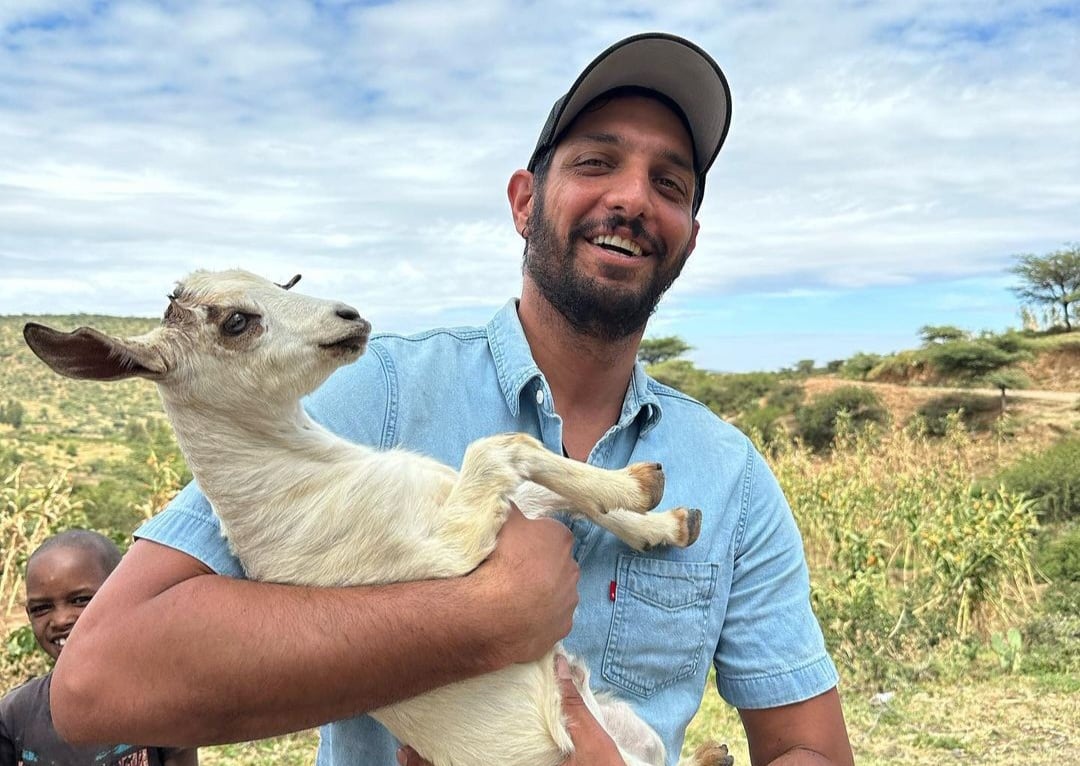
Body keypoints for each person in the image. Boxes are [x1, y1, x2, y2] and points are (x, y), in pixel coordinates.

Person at [48, 32, 854, 766]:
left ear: (688, 237)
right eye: (596, 162)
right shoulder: (363, 392)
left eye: (669, 182)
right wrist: (480, 617)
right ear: (524, 201)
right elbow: (96, 687)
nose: (634, 199)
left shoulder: (730, 473)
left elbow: (807, 749)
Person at [0, 530, 198, 766]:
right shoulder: (14, 715)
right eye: (42, 608)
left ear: (124, 595)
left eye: (80, 600)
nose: (61, 620)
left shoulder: (162, 698)